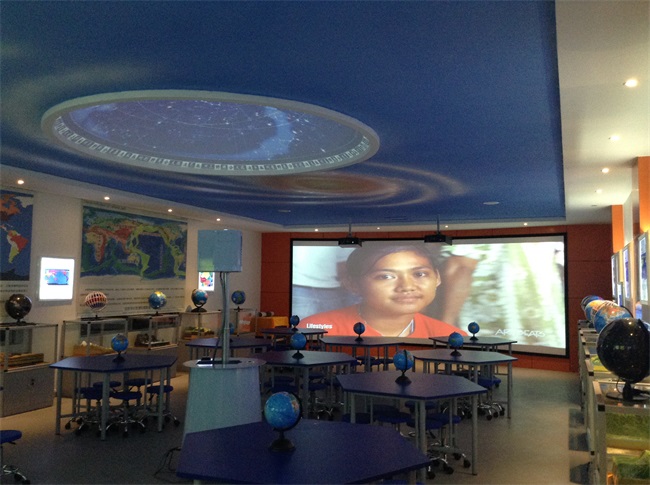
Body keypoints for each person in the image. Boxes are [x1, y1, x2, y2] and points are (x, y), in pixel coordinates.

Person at [299, 244, 466, 338]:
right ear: (353, 284)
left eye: (419, 274)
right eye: (386, 276)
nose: (407, 286)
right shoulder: (316, 329)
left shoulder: (451, 337)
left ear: (437, 278)